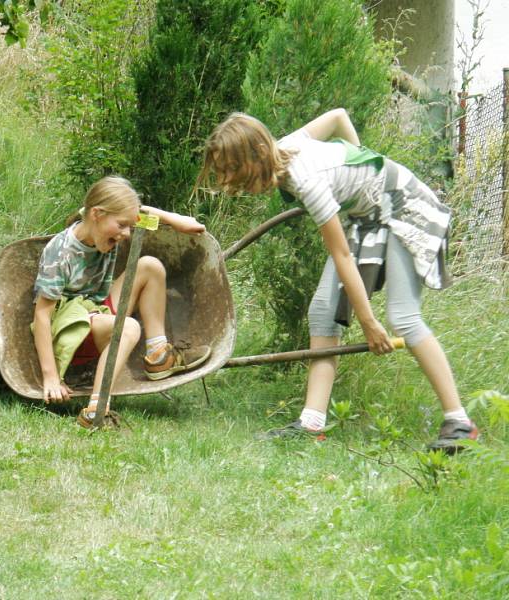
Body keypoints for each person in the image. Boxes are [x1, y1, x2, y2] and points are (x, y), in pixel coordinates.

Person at [196, 108, 478, 452]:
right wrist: (358, 166)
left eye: (232, 169)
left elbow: (342, 255)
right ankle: (312, 423)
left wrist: (369, 322)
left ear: (256, 153)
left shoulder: (306, 179)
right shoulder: (286, 146)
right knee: (322, 314)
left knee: (402, 317)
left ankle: (460, 420)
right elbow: (338, 117)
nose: (227, 182)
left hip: (402, 206)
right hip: (367, 216)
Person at [32, 175, 212, 428]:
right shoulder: (60, 253)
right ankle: (96, 408)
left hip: (96, 310)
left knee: (150, 266)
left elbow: (138, 212)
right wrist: (50, 377)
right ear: (96, 214)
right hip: (70, 327)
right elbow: (42, 315)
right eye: (122, 225)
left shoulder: (98, 217)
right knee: (128, 327)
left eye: (129, 226)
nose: (127, 233)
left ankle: (158, 354)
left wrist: (175, 220)